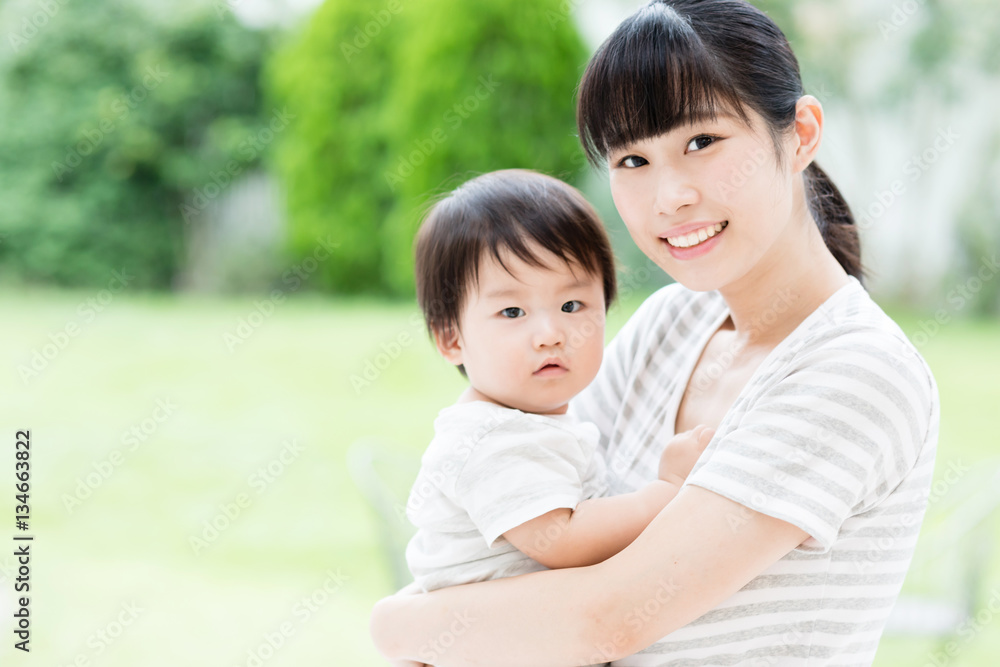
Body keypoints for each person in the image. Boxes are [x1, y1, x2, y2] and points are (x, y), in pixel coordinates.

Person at [370, 1, 940, 665]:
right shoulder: (671, 324)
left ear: (801, 133)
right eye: (632, 159)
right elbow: (529, 540)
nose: (668, 197)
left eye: (701, 142)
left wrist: (396, 624)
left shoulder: (854, 369)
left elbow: (603, 619)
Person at [404, 169, 714, 596]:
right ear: (451, 338)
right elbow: (561, 541)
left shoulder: (532, 423)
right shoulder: (489, 439)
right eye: (512, 312)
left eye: (572, 304)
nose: (551, 333)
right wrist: (666, 492)